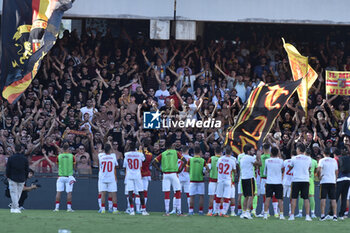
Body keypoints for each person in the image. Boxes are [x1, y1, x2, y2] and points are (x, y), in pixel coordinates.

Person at [152, 140, 187, 216]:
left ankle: (167, 211)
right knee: (177, 191)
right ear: (171, 145)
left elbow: (153, 162)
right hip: (174, 174)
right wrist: (180, 169)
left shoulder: (163, 154)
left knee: (167, 193)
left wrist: (160, 170)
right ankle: (179, 212)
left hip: (165, 174)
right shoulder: (175, 152)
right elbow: (184, 160)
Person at [124, 142, 149, 215]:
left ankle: (132, 210)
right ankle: (143, 209)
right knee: (141, 192)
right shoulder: (139, 154)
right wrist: (142, 150)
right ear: (136, 148)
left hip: (129, 175)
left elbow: (125, 164)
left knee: (130, 193)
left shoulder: (126, 154)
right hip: (138, 175)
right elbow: (144, 159)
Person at [288, 143, 312, 221]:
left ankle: (292, 215)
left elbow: (290, 167)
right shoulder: (309, 159)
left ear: (298, 150)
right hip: (305, 180)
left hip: (296, 180)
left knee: (294, 197)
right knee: (306, 198)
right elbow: (309, 168)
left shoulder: (294, 158)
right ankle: (307, 216)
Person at [239, 144, 261, 219]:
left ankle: (244, 212)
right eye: (251, 150)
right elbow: (259, 164)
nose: (253, 151)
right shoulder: (250, 158)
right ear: (248, 151)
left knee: (246, 196)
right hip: (249, 178)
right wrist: (259, 156)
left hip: (243, 178)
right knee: (251, 195)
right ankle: (248, 212)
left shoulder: (242, 158)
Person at [6, 144, 29, 213]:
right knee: (18, 193)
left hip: (12, 177)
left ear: (14, 150)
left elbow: (8, 169)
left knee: (14, 193)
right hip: (22, 178)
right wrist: (26, 177)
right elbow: (26, 169)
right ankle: (14, 207)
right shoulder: (25, 159)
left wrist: (8, 176)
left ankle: (15, 207)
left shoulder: (11, 158)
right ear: (21, 150)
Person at [263, 147, 284, 220]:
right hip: (278, 182)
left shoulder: (267, 161)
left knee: (267, 198)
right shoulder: (281, 161)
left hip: (269, 182)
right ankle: (281, 215)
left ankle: (265, 214)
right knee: (280, 199)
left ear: (271, 153)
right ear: (278, 153)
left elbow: (265, 172)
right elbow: (282, 170)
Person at [328, 148, 350, 219]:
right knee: (344, 198)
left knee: (334, 198)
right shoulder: (347, 159)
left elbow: (335, 170)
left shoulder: (335, 159)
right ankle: (341, 215)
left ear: (334, 154)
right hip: (348, 179)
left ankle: (331, 214)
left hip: (339, 180)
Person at [215, 146, 237, 217]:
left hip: (220, 180)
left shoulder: (220, 159)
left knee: (218, 196)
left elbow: (217, 168)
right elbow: (234, 171)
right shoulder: (232, 160)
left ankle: (216, 211)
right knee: (226, 197)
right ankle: (224, 212)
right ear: (231, 152)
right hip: (228, 180)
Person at [54, 142, 76, 212]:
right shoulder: (72, 156)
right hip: (69, 176)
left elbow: (57, 165)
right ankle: (69, 208)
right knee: (69, 192)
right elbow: (74, 166)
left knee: (58, 192)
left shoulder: (59, 156)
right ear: (68, 148)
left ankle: (56, 208)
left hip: (60, 176)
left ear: (62, 149)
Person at [318, 148, 338, 221]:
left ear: (323, 153)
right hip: (332, 181)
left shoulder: (321, 160)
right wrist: (335, 179)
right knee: (333, 199)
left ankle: (322, 216)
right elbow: (336, 171)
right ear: (330, 153)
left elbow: (318, 169)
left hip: (324, 181)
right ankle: (335, 216)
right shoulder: (334, 161)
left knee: (323, 198)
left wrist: (319, 176)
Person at [98, 143, 118, 214]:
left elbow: (100, 152)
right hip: (111, 177)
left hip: (103, 178)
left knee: (103, 193)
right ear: (110, 150)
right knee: (113, 194)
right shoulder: (113, 156)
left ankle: (103, 209)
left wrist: (101, 149)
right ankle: (115, 209)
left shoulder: (100, 156)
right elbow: (116, 165)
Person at [171, 145, 191, 214]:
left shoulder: (178, 158)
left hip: (178, 177)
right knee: (188, 194)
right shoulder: (190, 158)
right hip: (187, 177)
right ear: (188, 150)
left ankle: (174, 209)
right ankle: (190, 210)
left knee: (176, 193)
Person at [188, 146, 207, 215]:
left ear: (194, 152)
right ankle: (200, 211)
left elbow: (187, 169)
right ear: (200, 152)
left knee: (192, 196)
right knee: (201, 196)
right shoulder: (203, 160)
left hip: (192, 180)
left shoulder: (190, 160)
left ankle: (191, 211)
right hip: (200, 180)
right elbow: (206, 169)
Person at [206, 146, 221, 216]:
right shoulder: (222, 159)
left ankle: (210, 211)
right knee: (219, 196)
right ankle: (217, 211)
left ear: (215, 152)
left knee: (211, 196)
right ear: (221, 152)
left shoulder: (211, 159)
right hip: (220, 180)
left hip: (212, 180)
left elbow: (208, 169)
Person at [258, 143, 271, 217]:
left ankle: (265, 211)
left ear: (263, 149)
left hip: (263, 178)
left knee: (264, 195)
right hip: (271, 178)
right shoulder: (271, 157)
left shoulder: (261, 157)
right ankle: (276, 212)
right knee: (272, 196)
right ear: (269, 149)